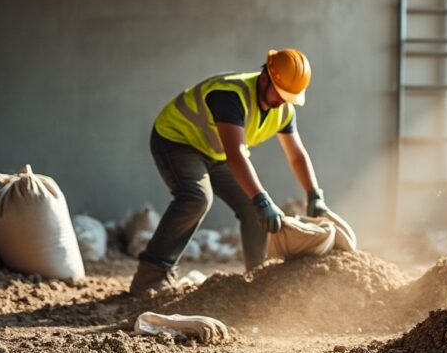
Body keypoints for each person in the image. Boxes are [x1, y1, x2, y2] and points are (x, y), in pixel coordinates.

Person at [129, 48, 330, 296]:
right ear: (265, 77)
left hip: (216, 152)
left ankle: (258, 278)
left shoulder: (284, 111)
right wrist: (262, 198)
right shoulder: (231, 95)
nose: (282, 102)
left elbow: (297, 155)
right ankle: (150, 277)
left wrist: (314, 194)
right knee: (196, 198)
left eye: (289, 98)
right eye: (279, 95)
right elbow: (235, 154)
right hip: (178, 140)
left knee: (252, 207)